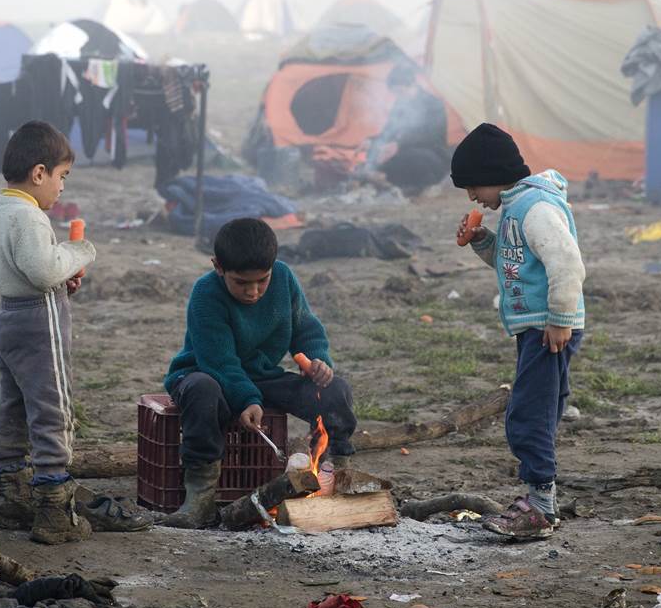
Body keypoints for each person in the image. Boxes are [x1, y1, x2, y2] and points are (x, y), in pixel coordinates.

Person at [0, 120, 146, 543]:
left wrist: (57, 273)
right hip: (40, 320)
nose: (62, 188)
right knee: (51, 404)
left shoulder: (0, 212)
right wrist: (77, 253)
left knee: (11, 401)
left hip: (8, 317)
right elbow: (42, 269)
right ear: (40, 174)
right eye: (62, 177)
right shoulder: (30, 218)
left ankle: (11, 490)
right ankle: (54, 502)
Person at [162, 218, 358, 528]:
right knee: (202, 391)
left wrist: (318, 361)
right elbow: (220, 361)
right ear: (218, 267)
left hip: (261, 376)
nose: (253, 292)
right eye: (242, 282)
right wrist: (247, 399)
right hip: (208, 375)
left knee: (337, 392)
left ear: (272, 268)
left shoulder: (283, 278)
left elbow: (306, 329)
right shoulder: (206, 294)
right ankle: (200, 497)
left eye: (261, 281)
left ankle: (337, 477)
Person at [451, 123, 586, 541]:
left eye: (474, 186)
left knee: (528, 413)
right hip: (537, 329)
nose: (473, 197)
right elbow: (514, 263)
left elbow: (566, 263)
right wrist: (481, 240)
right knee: (542, 406)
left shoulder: (535, 208)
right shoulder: (514, 209)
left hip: (549, 329)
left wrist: (560, 319)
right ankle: (542, 497)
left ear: (493, 174)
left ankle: (540, 506)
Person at [365, 63, 449, 197]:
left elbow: (430, 135)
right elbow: (389, 130)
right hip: (403, 150)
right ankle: (384, 179)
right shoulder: (400, 104)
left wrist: (398, 144)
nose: (399, 96)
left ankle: (422, 186)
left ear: (413, 84)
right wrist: (373, 141)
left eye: (401, 91)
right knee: (376, 150)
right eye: (396, 93)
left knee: (412, 157)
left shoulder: (433, 104)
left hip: (433, 155)